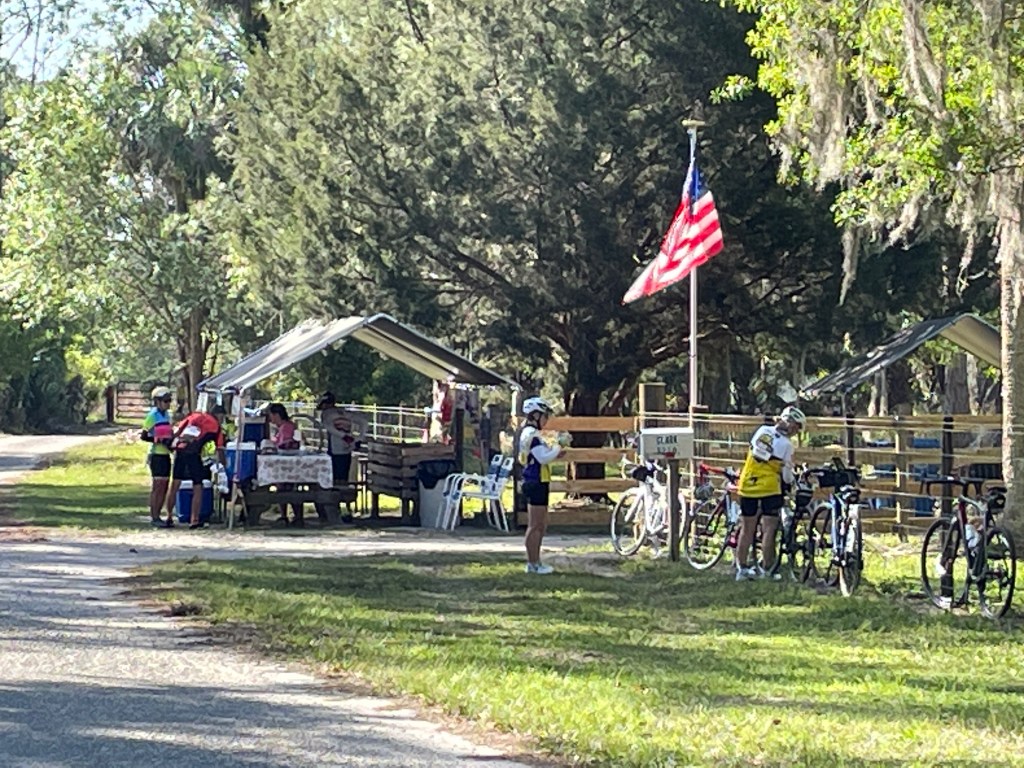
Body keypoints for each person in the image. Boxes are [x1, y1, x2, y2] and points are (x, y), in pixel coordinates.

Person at [734, 405, 806, 581]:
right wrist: (792, 482)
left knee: (747, 528)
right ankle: (768, 569)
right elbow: (787, 475)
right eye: (797, 428)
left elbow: (756, 452)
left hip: (748, 483)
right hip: (770, 488)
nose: (796, 432)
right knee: (769, 529)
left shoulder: (762, 431)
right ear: (792, 425)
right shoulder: (787, 445)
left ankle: (741, 568)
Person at [518, 396, 564, 575]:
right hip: (535, 481)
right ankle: (532, 563)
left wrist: (555, 452)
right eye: (544, 416)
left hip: (539, 480)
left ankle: (536, 561)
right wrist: (558, 447)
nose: (546, 420)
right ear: (535, 415)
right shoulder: (531, 434)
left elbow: (542, 454)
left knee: (541, 524)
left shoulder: (531, 433)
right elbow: (542, 457)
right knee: (535, 525)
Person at [165, 404, 228, 530]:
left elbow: (177, 432)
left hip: (180, 451)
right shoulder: (216, 427)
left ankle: (169, 516)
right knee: (198, 486)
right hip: (193, 454)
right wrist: (224, 464)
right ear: (219, 415)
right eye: (222, 417)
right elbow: (220, 449)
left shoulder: (194, 416)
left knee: (175, 484)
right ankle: (194, 520)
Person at [316, 392, 368, 522]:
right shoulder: (345, 413)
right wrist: (358, 438)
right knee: (343, 477)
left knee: (335, 479)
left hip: (335, 449)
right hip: (347, 448)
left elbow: (329, 427)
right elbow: (363, 422)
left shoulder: (327, 414)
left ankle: (336, 507)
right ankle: (345, 508)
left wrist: (344, 436)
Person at [141, 386, 175, 527]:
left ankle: (159, 515)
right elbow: (144, 436)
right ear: (158, 402)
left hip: (166, 454)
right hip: (156, 455)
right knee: (158, 486)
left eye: (169, 401)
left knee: (165, 486)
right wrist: (159, 440)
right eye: (165, 401)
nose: (168, 404)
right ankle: (154, 516)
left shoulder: (167, 415)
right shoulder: (152, 416)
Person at [267, 403, 303, 525]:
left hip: (289, 464)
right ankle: (287, 515)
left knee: (286, 486)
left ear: (276, 415)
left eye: (271, 415)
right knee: (284, 486)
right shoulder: (283, 427)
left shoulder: (286, 427)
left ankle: (292, 515)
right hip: (286, 463)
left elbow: (285, 444)